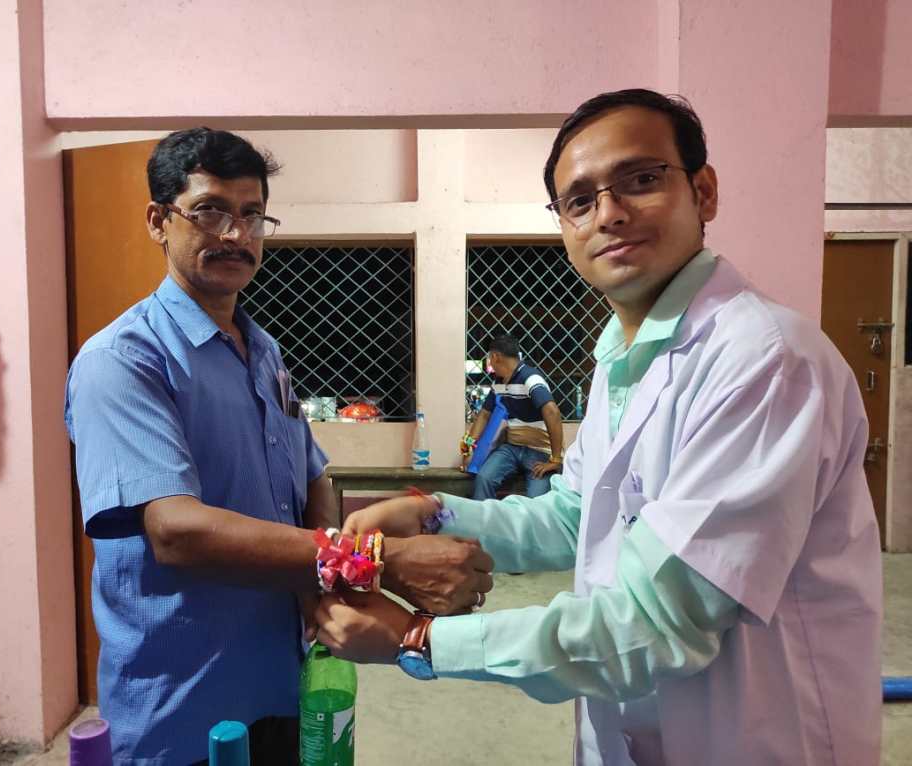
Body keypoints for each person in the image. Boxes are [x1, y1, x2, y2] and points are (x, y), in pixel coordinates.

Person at [313, 90, 883, 765]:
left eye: (640, 180)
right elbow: (576, 516)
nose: (608, 213)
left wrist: (419, 638)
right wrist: (438, 512)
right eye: (580, 200)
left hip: (756, 741)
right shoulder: (623, 357)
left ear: (703, 192)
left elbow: (660, 625)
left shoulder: (763, 361)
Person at [64, 128, 492, 764]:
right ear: (159, 221)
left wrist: (326, 588)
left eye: (251, 214)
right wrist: (375, 560)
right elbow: (176, 530)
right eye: (209, 211)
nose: (236, 234)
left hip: (284, 676)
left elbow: (312, 475)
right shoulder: (123, 360)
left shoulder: (263, 352)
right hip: (183, 701)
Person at [462, 333, 564, 499]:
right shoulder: (499, 383)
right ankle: (484, 516)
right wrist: (467, 450)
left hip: (540, 452)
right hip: (512, 448)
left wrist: (556, 459)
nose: (490, 363)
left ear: (495, 357)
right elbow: (484, 415)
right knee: (484, 479)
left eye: (489, 358)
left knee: (535, 501)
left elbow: (552, 412)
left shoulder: (530, 378)